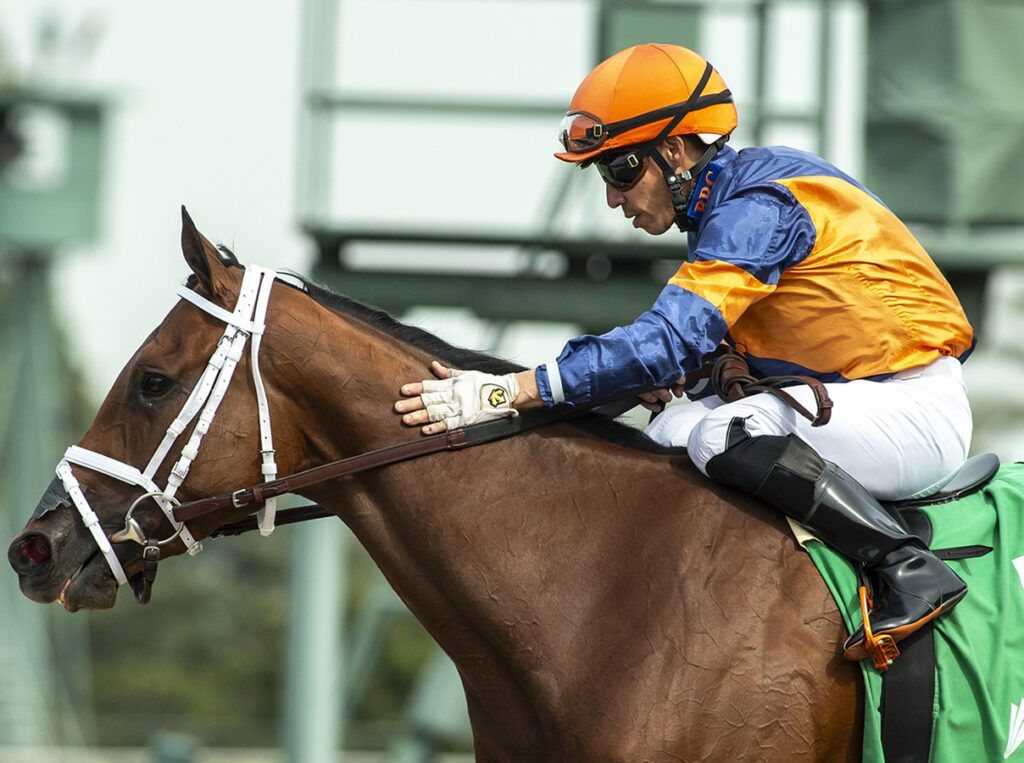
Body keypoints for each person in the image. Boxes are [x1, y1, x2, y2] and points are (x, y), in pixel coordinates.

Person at [393, 43, 974, 663]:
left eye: (620, 171)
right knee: (668, 432)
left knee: (723, 434)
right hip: (847, 400)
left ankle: (908, 567)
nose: (613, 198)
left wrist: (509, 390)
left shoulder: (759, 206)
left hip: (909, 408)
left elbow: (669, 338)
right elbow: (690, 351)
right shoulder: (723, 206)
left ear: (674, 151)